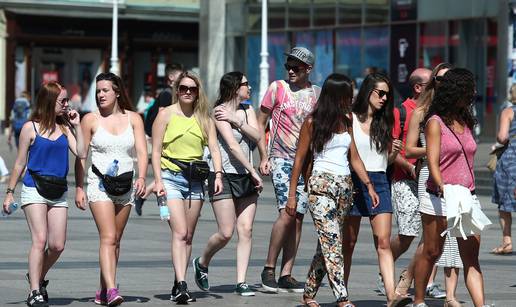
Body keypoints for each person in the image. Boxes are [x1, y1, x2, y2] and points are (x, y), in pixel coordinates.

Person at [285, 73, 379, 307]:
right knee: (333, 244)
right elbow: (299, 160)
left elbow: (354, 157)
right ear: (337, 95)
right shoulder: (312, 122)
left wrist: (368, 185)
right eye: (348, 94)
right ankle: (342, 298)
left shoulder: (347, 121)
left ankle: (308, 294)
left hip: (344, 188)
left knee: (327, 244)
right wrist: (292, 195)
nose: (352, 98)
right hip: (320, 187)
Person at [2, 81, 85, 307]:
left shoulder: (66, 128)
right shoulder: (31, 128)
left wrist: (77, 126)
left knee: (57, 245)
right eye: (63, 101)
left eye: (67, 100)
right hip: (34, 188)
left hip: (58, 190)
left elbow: (82, 152)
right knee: (39, 240)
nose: (67, 105)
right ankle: (35, 291)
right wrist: (9, 193)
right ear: (50, 102)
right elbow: (19, 164)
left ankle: (35, 275)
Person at [413, 68, 488, 307]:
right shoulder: (434, 123)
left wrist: (462, 191)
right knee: (432, 251)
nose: (473, 94)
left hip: (467, 196)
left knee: (471, 258)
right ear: (457, 91)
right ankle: (419, 300)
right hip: (438, 196)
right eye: (469, 89)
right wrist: (444, 188)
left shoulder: (466, 121)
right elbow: (433, 162)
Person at [74, 72, 148, 306]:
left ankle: (103, 289)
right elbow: (81, 157)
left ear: (117, 92)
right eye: (98, 91)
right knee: (107, 237)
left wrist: (143, 177)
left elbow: (142, 152)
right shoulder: (90, 120)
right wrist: (78, 187)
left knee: (116, 240)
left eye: (105, 90)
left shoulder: (134, 118)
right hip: (99, 185)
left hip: (125, 184)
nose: (100, 94)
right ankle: (113, 289)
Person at [151, 71, 223, 303]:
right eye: (183, 88)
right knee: (180, 232)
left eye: (192, 89)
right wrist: (158, 180)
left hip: (196, 181)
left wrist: (218, 175)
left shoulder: (204, 118)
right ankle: (182, 284)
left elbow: (213, 148)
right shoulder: (165, 115)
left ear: (198, 92)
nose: (188, 92)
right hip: (170, 176)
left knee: (189, 236)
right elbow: (155, 150)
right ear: (177, 90)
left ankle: (177, 281)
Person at [341, 73, 411, 307]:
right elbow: (347, 155)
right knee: (347, 244)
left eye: (387, 96)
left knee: (383, 241)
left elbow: (384, 161)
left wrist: (393, 153)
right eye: (379, 93)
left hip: (379, 181)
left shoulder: (385, 121)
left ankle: (392, 296)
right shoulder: (349, 119)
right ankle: (343, 295)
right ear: (368, 91)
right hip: (353, 181)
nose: (383, 99)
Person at [192, 72, 263, 297]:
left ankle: (241, 281)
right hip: (223, 175)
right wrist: (254, 170)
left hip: (246, 177)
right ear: (234, 88)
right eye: (245, 84)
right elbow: (232, 146)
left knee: (246, 230)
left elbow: (258, 136)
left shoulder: (247, 110)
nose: (249, 87)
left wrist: (237, 120)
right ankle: (202, 262)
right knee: (226, 232)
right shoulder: (218, 111)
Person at [257, 47, 321, 293]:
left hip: (306, 163)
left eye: (297, 67)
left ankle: (286, 273)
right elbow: (260, 122)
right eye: (289, 66)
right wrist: (264, 155)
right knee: (287, 211)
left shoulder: (317, 94)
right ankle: (268, 268)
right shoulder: (277, 88)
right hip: (281, 158)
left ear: (309, 69)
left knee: (298, 218)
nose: (291, 71)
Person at [404, 63, 463, 306]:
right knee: (431, 242)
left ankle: (450, 296)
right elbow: (409, 149)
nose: (444, 83)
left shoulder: (457, 112)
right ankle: (412, 288)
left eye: (448, 79)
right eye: (439, 79)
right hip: (429, 175)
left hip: (454, 177)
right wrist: (433, 150)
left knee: (452, 237)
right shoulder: (422, 111)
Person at [137, 63, 184, 215]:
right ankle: (144, 195)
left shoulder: (172, 94)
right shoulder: (166, 94)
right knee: (167, 170)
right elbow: (161, 116)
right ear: (171, 77)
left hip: (165, 138)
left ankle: (145, 195)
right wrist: (160, 140)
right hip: (161, 137)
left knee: (167, 170)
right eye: (180, 76)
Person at [491, 85, 516, 255]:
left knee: (505, 204)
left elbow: (502, 137)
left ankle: (507, 241)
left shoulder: (508, 111)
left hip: (511, 161)